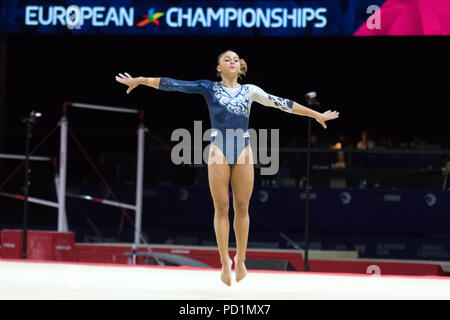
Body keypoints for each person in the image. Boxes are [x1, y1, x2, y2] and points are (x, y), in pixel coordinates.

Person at [115, 50, 339, 286]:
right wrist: (140, 81)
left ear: (240, 67)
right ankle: (224, 262)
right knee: (221, 207)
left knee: (242, 208)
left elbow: (282, 104)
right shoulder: (209, 87)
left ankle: (240, 259)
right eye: (226, 59)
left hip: (243, 149)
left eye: (235, 59)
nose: (232, 61)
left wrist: (315, 115)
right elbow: (174, 84)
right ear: (219, 68)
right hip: (218, 150)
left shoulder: (250, 90)